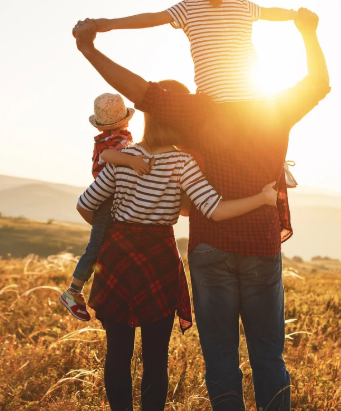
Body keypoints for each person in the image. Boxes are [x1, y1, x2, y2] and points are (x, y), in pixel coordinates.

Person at [72, 8, 329, 410]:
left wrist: (89, 48)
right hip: (257, 244)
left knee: (219, 358)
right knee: (266, 355)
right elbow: (318, 83)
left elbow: (140, 93)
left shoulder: (191, 114)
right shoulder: (273, 108)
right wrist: (308, 32)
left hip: (203, 248)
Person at [76, 78, 278, 411]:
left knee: (117, 352)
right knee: (156, 357)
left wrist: (114, 232)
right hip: (158, 258)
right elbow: (215, 210)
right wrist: (263, 198)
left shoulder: (122, 158)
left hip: (117, 257)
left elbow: (85, 204)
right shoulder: (183, 162)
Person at [89, 0, 297, 103]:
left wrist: (109, 24)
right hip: (254, 98)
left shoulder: (187, 8)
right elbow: (273, 13)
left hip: (212, 102)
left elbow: (151, 19)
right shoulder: (244, 5)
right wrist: (296, 15)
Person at [59, 93, 153, 321]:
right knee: (96, 246)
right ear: (126, 119)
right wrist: (132, 161)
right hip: (107, 199)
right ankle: (73, 290)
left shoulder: (116, 137)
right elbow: (108, 155)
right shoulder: (112, 141)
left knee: (106, 244)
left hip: (112, 197)